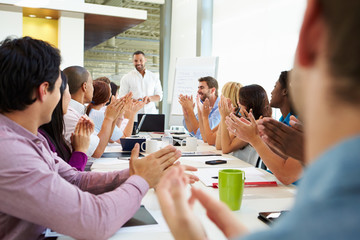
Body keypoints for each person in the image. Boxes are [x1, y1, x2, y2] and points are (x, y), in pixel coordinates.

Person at [157, 0, 360, 239]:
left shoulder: (272, 122)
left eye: (276, 86)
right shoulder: (292, 128)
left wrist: (187, 232)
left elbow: (224, 147)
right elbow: (216, 143)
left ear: (312, 33)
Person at [0, 36, 184, 240]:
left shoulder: (28, 138)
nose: (64, 97)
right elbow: (97, 220)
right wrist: (142, 179)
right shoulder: (10, 152)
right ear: (44, 91)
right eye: (63, 88)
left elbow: (74, 178)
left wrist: (139, 170)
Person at [63, 66, 126, 158]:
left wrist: (113, 115)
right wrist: (109, 118)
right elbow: (97, 151)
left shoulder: (79, 112)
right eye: (91, 84)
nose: (93, 89)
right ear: (84, 87)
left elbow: (103, 140)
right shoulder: (69, 115)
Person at [39, 71, 94, 171]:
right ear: (44, 90)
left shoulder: (48, 134)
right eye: (68, 91)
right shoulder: (41, 138)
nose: (70, 98)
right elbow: (69, 180)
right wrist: (80, 150)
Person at [216, 84, 271, 166]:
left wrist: (224, 116)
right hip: (239, 166)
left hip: (248, 171)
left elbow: (226, 148)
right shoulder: (245, 121)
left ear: (250, 103)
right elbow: (219, 145)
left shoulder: (258, 124)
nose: (238, 103)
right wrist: (223, 116)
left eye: (240, 101)